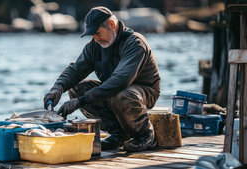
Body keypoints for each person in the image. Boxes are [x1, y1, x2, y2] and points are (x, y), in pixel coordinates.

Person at [43, 6, 160, 152]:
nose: (96, 38)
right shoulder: (94, 46)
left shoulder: (135, 43)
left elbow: (120, 82)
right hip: (116, 92)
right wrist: (58, 87)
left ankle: (145, 135)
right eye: (92, 35)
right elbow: (75, 70)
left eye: (97, 33)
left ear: (112, 25)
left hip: (143, 92)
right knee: (77, 90)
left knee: (122, 95)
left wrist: (81, 101)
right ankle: (119, 134)